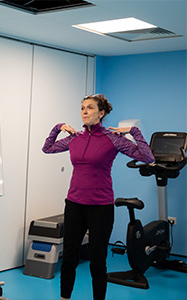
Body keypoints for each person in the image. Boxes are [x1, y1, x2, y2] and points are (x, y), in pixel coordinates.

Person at [42, 94, 154, 300]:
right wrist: (58, 127)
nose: (84, 111)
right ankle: (64, 297)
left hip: (100, 207)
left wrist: (134, 132)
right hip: (74, 204)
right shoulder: (75, 138)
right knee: (69, 257)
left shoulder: (114, 139)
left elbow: (147, 157)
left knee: (97, 260)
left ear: (101, 113)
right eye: (82, 108)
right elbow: (47, 148)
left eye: (90, 108)